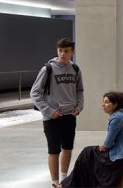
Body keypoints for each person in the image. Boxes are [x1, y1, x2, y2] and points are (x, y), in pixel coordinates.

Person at [30, 38, 84, 188]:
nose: (62, 54)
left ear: (72, 52)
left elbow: (79, 90)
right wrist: (49, 111)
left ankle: (63, 178)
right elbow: (35, 93)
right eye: (60, 51)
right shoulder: (48, 69)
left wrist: (79, 107)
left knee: (68, 148)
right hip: (52, 117)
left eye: (66, 51)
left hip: (69, 116)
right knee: (53, 150)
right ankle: (55, 182)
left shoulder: (75, 69)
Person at [60, 92, 123, 188]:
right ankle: (70, 184)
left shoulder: (116, 118)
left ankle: (68, 185)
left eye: (107, 102)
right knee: (88, 154)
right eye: (103, 102)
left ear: (115, 104)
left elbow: (107, 144)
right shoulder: (121, 113)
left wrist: (102, 147)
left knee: (87, 153)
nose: (103, 105)